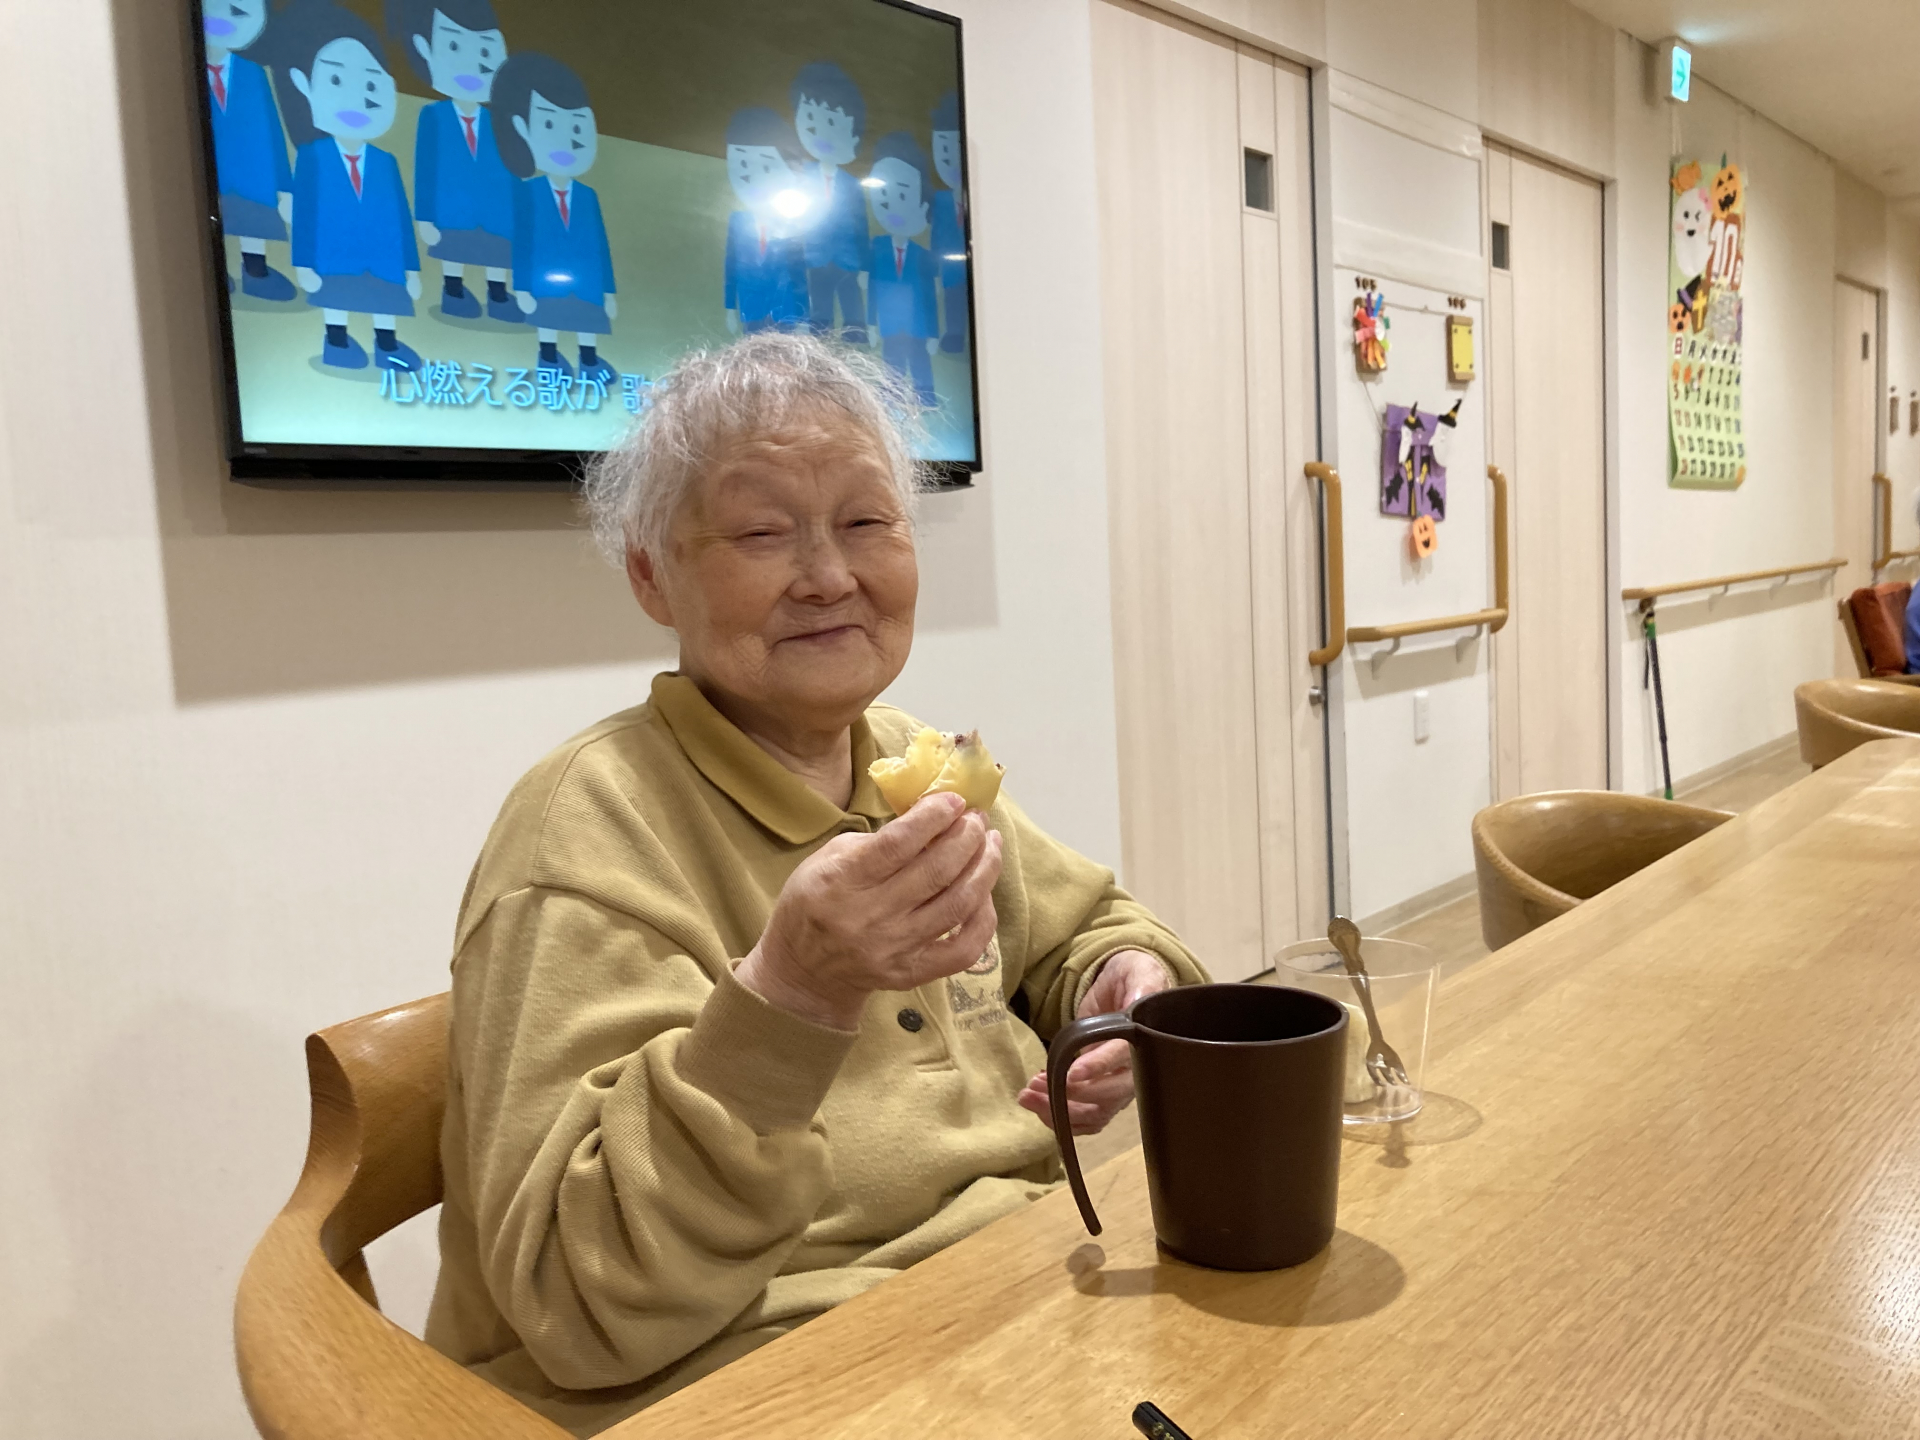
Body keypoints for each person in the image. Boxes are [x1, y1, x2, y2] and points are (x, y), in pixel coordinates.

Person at [425, 333, 1205, 1436]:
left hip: (1019, 1289)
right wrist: (793, 992)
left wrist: (1122, 985)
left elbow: (1087, 929)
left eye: (868, 522)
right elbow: (582, 1305)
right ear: (651, 576)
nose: (832, 576)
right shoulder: (586, 835)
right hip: (752, 1378)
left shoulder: (911, 761)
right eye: (761, 533)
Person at [274, 0, 423, 373]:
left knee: (385, 300)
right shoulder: (313, 157)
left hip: (384, 258)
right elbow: (305, 213)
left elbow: (402, 218)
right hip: (334, 257)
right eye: (336, 80)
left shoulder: (386, 162)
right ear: (303, 85)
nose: (357, 99)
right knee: (337, 298)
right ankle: (337, 340)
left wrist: (411, 268)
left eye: (371, 84)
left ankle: (387, 344)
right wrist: (304, 263)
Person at [386, 0, 521, 324]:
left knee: (497, 252)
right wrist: (425, 218)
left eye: (485, 52)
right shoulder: (434, 115)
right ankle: (454, 290)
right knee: (454, 250)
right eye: (454, 47)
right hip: (452, 212)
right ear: (425, 50)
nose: (472, 64)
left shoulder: (500, 122)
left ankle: (498, 293)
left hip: (495, 211)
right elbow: (425, 169)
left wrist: (518, 215)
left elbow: (512, 170)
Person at [494, 52, 618, 385]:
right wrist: (522, 287)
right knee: (548, 320)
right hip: (543, 282)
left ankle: (589, 360)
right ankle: (548, 356)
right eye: (549, 125)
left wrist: (608, 291)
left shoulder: (588, 196)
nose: (565, 140)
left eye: (577, 127)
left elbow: (601, 247)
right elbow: (521, 244)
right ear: (523, 129)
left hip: (587, 283)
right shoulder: (527, 193)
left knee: (586, 321)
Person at [201, 0, 297, 301]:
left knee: (254, 222)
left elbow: (273, 131)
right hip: (212, 172)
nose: (223, 18)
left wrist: (284, 187)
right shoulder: (182, 70)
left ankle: (255, 271)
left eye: (239, 11)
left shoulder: (254, 74)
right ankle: (217, 269)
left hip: (253, 177)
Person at [790, 62, 870, 343]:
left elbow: (861, 227)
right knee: (820, 309)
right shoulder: (800, 178)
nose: (822, 132)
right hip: (815, 257)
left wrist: (864, 267)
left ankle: (855, 345)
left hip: (847, 260)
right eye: (811, 120)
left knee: (852, 308)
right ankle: (820, 346)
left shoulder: (852, 184)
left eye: (833, 123)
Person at [863, 132, 941, 407]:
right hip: (889, 323)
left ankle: (926, 397)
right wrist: (871, 323)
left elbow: (930, 297)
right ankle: (890, 397)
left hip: (917, 325)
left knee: (919, 361)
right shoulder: (877, 247)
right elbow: (873, 289)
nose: (894, 209)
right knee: (891, 361)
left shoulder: (923, 256)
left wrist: (933, 333)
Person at [722, 107, 812, 334]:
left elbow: (797, 272)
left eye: (765, 165)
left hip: (785, 309)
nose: (753, 177)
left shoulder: (790, 220)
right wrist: (730, 307)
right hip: (751, 306)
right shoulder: (738, 221)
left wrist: (803, 317)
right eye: (742, 165)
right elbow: (731, 268)